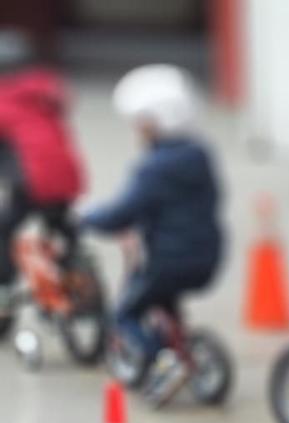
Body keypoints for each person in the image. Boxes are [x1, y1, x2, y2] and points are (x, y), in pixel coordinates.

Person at [80, 65, 223, 388]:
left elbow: (122, 212)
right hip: (207, 256)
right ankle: (181, 347)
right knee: (162, 299)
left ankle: (160, 360)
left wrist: (88, 218)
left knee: (125, 314)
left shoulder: (154, 168)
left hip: (168, 259)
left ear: (155, 121)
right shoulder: (200, 155)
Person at [0, 30, 86, 311]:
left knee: (5, 229)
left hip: (33, 183)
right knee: (61, 225)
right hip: (67, 177)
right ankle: (77, 267)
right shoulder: (47, 91)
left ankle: (4, 287)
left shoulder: (4, 101)